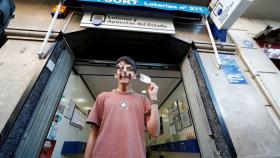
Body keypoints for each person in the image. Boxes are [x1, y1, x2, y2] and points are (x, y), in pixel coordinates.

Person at [84, 56, 160, 158]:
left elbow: (155, 132)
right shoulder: (102, 97)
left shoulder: (143, 100)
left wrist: (154, 99)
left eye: (129, 69)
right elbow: (93, 135)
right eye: (120, 68)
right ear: (115, 74)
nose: (124, 72)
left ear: (133, 75)